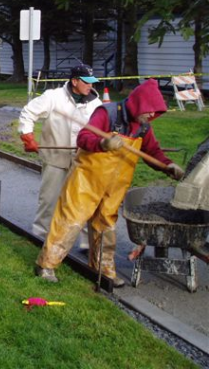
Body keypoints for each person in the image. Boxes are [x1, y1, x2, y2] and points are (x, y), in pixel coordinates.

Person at [35, 79, 184, 286]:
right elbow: (83, 138)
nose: (152, 115)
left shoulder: (142, 127)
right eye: (150, 110)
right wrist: (103, 143)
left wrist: (167, 166)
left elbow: (153, 152)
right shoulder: (107, 113)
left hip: (115, 185)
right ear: (140, 103)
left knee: (106, 226)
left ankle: (102, 269)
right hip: (87, 179)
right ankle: (46, 265)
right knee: (71, 221)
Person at [18, 64, 102, 251]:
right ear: (74, 81)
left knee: (83, 202)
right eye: (86, 82)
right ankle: (41, 236)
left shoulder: (96, 104)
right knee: (49, 199)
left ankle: (87, 243)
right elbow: (28, 112)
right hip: (55, 159)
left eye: (92, 82)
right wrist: (27, 135)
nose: (90, 86)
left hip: (83, 160)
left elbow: (103, 129)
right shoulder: (53, 97)